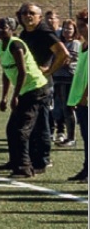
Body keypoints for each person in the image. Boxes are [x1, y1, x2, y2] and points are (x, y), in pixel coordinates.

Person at [18, 3, 69, 174]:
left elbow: (63, 53)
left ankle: (43, 160)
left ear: (39, 16)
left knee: (42, 123)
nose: (27, 15)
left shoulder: (44, 32)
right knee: (29, 123)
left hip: (42, 86)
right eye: (24, 12)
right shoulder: (24, 34)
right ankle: (29, 158)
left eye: (31, 13)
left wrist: (49, 71)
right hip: (28, 85)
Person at [0, 17, 48, 179]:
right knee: (12, 129)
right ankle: (14, 160)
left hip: (35, 89)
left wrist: (15, 96)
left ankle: (25, 167)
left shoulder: (16, 45)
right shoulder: (1, 47)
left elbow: (23, 72)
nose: (0, 30)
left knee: (22, 131)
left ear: (12, 30)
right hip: (24, 91)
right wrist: (4, 97)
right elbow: (6, 72)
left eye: (4, 27)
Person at [66, 9, 88, 182]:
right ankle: (86, 169)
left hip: (86, 99)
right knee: (86, 138)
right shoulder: (82, 46)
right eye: (80, 25)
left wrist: (84, 96)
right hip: (80, 99)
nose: (82, 28)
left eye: (85, 25)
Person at [52, 18, 80, 146]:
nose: (67, 31)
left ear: (74, 30)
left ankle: (71, 138)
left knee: (68, 109)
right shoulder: (60, 43)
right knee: (62, 109)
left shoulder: (75, 43)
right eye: (65, 28)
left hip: (68, 79)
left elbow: (66, 60)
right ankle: (64, 135)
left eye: (70, 28)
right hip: (58, 79)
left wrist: (54, 64)